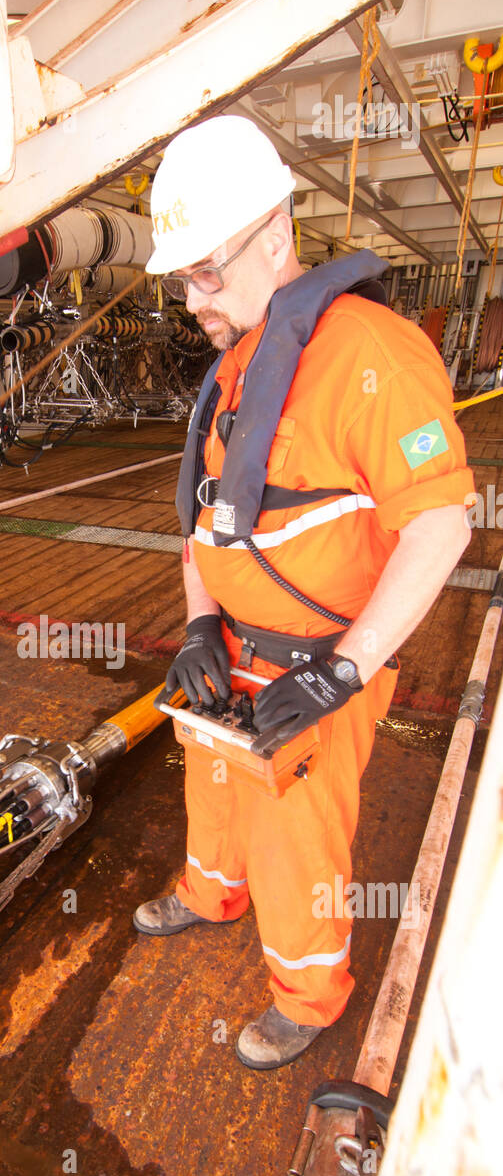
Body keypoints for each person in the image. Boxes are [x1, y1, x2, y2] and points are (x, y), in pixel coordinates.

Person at [135, 116, 474, 1069]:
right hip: (229, 656)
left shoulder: (376, 355)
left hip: (317, 673)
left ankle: (310, 991)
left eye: (206, 270)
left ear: (277, 236)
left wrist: (341, 674)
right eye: (181, 277)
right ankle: (210, 892)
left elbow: (442, 526)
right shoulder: (240, 364)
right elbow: (209, 522)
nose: (189, 297)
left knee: (296, 838)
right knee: (212, 790)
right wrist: (201, 627)